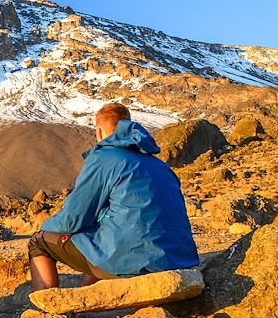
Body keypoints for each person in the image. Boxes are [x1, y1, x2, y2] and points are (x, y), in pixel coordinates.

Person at [28, 103, 199, 290]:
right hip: (179, 259)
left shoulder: (104, 158)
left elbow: (72, 219)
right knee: (100, 238)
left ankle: (47, 307)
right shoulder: (159, 165)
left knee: (39, 242)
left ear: (99, 132)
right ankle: (85, 296)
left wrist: (45, 229)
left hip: (133, 261)